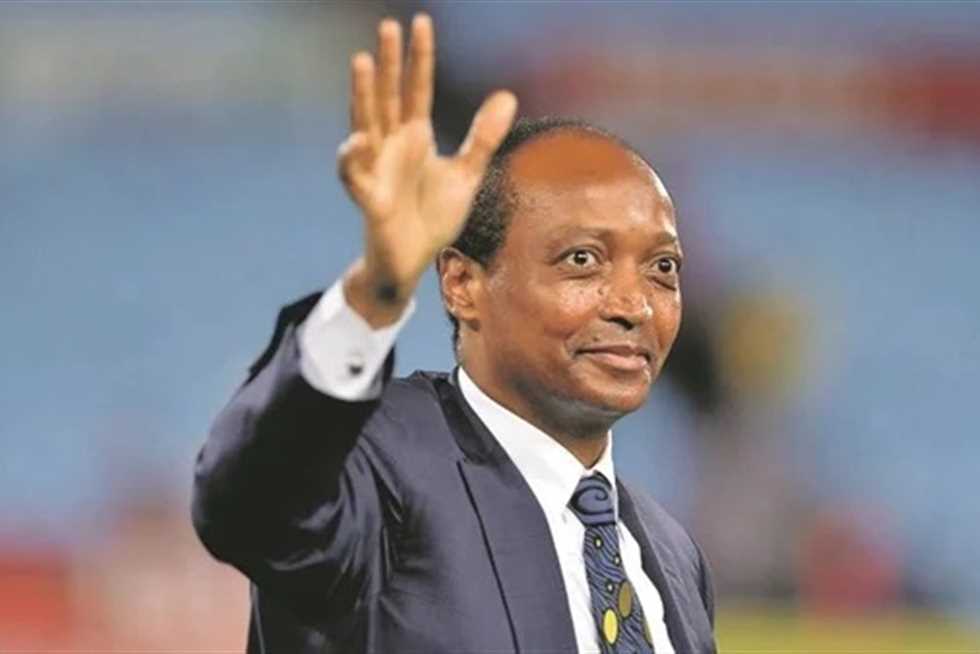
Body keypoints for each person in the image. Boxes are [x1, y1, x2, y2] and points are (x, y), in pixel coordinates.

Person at [192, 13, 717, 654]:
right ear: (463, 284)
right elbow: (249, 507)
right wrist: (377, 290)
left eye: (663, 269)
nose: (634, 304)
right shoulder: (377, 462)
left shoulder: (671, 554)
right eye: (582, 259)